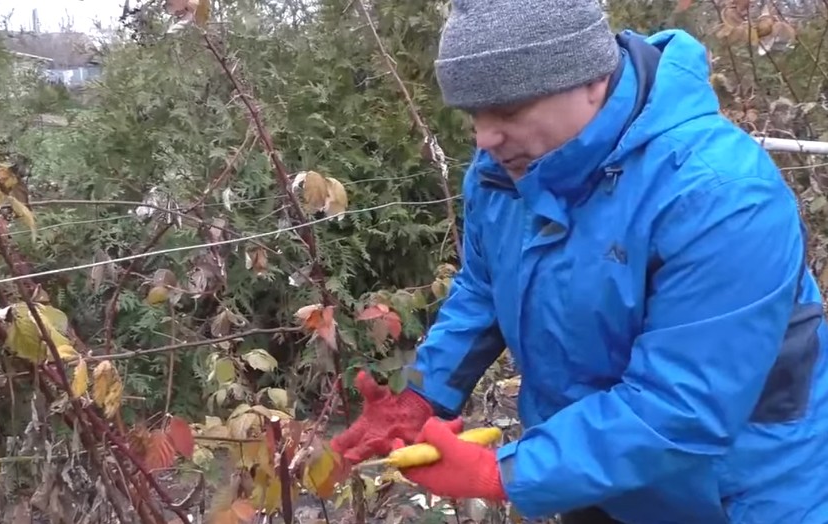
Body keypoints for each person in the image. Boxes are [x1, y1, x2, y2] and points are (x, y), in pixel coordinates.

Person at [329, 1, 828, 523]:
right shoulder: (503, 174)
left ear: (591, 80)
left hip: (738, 494)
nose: (483, 138)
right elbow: (482, 289)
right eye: (473, 114)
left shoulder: (719, 194)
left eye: (507, 111)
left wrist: (506, 474)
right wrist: (421, 397)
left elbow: (683, 406)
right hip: (593, 478)